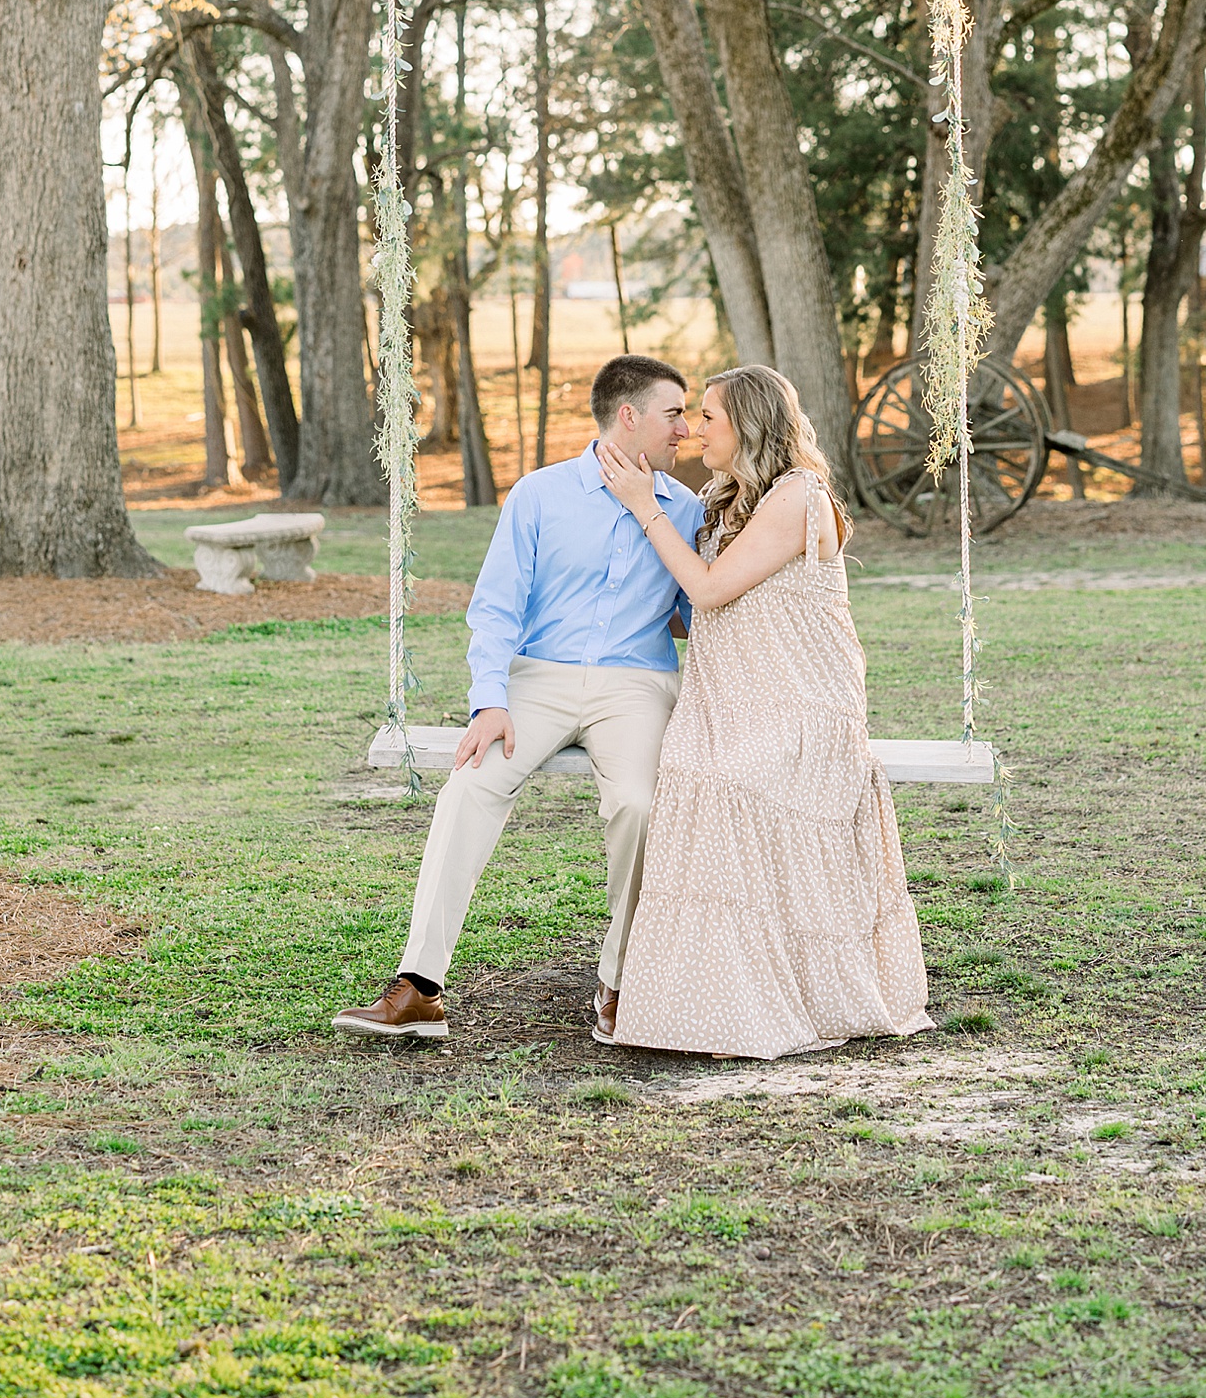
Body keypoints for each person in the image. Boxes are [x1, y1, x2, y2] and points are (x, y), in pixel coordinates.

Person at [333, 354, 706, 1044]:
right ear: (631, 417)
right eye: (675, 413)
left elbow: (699, 611)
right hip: (538, 677)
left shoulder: (687, 509)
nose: (686, 429)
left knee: (640, 804)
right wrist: (489, 701)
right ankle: (419, 987)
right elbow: (496, 607)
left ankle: (621, 982)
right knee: (470, 785)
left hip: (637, 684)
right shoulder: (539, 494)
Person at [597, 364, 932, 1061]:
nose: (693, 430)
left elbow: (713, 590)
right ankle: (709, 999)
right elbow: (699, 613)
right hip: (736, 696)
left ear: (747, 425)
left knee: (732, 782)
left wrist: (644, 507)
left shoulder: (798, 496)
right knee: (690, 769)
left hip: (802, 702)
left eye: (709, 418)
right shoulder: (728, 497)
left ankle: (760, 1002)